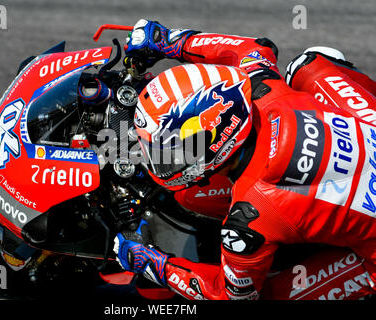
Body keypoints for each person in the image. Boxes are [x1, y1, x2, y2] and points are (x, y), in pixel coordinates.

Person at [113, 19, 376, 300]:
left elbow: (228, 296)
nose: (160, 160)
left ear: (212, 139)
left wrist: (152, 264)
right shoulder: (265, 90)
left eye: (167, 150)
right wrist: (169, 40)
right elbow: (255, 48)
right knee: (309, 62)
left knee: (267, 295)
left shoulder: (251, 218)